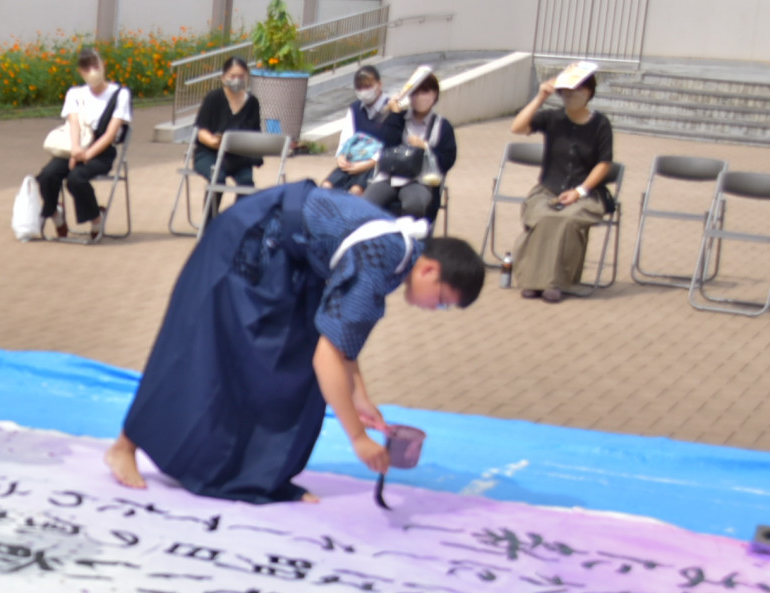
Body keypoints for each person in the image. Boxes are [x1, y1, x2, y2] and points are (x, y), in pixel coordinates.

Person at [105, 182, 485, 504]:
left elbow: (343, 337)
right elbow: (329, 357)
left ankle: (258, 475)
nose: (435, 310)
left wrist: (359, 395)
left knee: (290, 364)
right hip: (248, 243)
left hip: (289, 262)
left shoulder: (397, 255)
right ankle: (125, 444)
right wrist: (358, 438)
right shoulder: (380, 263)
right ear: (430, 269)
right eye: (442, 300)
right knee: (203, 351)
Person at [506, 73, 615, 303]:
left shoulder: (600, 124)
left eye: (576, 91)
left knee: (566, 219)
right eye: (565, 91)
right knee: (543, 215)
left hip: (586, 193)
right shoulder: (552, 118)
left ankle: (555, 283)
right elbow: (517, 127)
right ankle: (532, 280)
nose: (570, 96)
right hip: (548, 189)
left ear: (588, 93)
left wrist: (580, 191)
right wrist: (540, 98)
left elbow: (604, 164)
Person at [34, 47, 131, 241]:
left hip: (101, 152)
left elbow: (110, 134)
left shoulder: (120, 94)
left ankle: (96, 218)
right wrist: (76, 150)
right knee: (46, 176)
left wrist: (85, 156)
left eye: (95, 65)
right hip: (74, 147)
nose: (92, 71)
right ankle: (56, 216)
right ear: (80, 72)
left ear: (103, 65)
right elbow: (74, 123)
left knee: (76, 178)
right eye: (86, 68)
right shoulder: (75, 93)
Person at [362, 73, 457, 225]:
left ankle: (410, 243)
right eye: (415, 93)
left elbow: (447, 160)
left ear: (435, 94)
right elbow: (385, 143)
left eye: (425, 92)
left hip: (420, 180)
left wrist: (425, 147)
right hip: (389, 176)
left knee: (414, 204)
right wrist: (393, 113)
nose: (419, 97)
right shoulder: (400, 117)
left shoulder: (442, 126)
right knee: (366, 203)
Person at [190, 55, 262, 213]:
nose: (237, 80)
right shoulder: (213, 98)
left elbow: (255, 133)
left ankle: (235, 223)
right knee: (218, 179)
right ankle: (209, 226)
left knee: (247, 183)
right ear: (223, 78)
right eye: (232, 76)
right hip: (209, 153)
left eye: (241, 76)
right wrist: (213, 141)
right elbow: (201, 131)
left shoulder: (252, 103)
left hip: (238, 156)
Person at [322, 65, 389, 193]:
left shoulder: (390, 109)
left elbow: (392, 143)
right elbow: (346, 138)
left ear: (379, 84)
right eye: (360, 87)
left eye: (368, 86)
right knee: (326, 186)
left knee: (356, 190)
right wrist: (340, 156)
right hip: (352, 160)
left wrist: (369, 163)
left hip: (375, 165)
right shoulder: (355, 108)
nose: (364, 91)